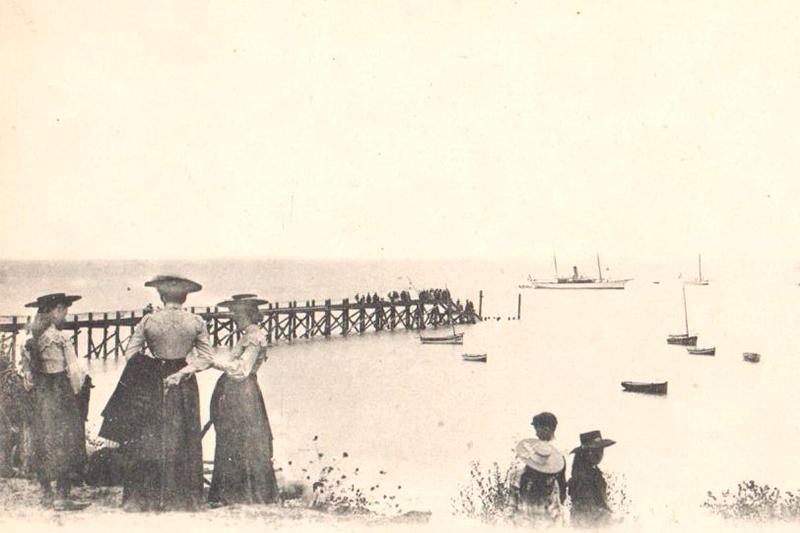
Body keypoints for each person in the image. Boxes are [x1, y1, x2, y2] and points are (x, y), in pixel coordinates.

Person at [100, 275, 214, 511]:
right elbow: (207, 358)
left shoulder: (149, 321)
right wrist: (184, 371)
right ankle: (183, 498)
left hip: (154, 381)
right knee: (183, 435)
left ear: (161, 296)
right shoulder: (195, 321)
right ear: (185, 297)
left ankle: (148, 497)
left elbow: (131, 355)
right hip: (184, 383)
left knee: (151, 437)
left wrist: (153, 366)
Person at [19, 293, 90, 511]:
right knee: (67, 440)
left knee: (43, 439)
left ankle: (46, 494)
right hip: (60, 393)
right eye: (64, 311)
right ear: (55, 311)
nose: (66, 315)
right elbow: (75, 372)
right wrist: (79, 391)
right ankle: (62, 495)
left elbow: (27, 378)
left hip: (40, 395)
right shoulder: (59, 338)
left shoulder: (29, 341)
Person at [207, 296, 279, 506]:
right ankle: (238, 491)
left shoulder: (254, 337)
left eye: (237, 314)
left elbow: (241, 370)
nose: (234, 318)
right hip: (240, 393)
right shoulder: (248, 335)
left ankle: (242, 493)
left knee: (242, 440)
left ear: (248, 314)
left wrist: (211, 361)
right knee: (237, 439)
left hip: (242, 393)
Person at [568, 430, 616, 526]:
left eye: (600, 450)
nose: (598, 454)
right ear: (585, 453)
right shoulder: (582, 477)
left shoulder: (594, 473)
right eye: (593, 451)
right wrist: (611, 520)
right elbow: (588, 508)